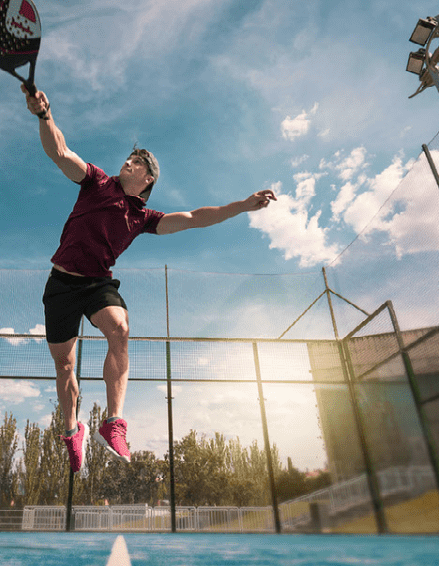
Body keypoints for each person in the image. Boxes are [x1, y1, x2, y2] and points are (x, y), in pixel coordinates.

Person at [24, 86, 277, 473]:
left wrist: (243, 205)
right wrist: (45, 115)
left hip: (96, 284)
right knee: (64, 367)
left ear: (148, 178)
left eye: (137, 161)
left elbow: (194, 217)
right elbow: (59, 151)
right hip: (60, 284)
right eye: (128, 158)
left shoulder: (143, 218)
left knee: (120, 328)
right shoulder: (96, 181)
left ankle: (113, 423)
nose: (128, 162)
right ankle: (72, 430)